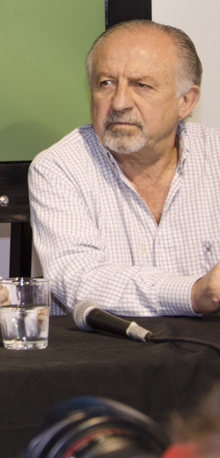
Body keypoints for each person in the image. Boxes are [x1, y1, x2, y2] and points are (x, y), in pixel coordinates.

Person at [29, 19, 220, 317]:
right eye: (106, 83)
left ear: (185, 101)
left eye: (141, 85)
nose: (119, 102)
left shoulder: (215, 156)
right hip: (106, 345)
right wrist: (193, 293)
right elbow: (80, 281)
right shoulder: (59, 168)